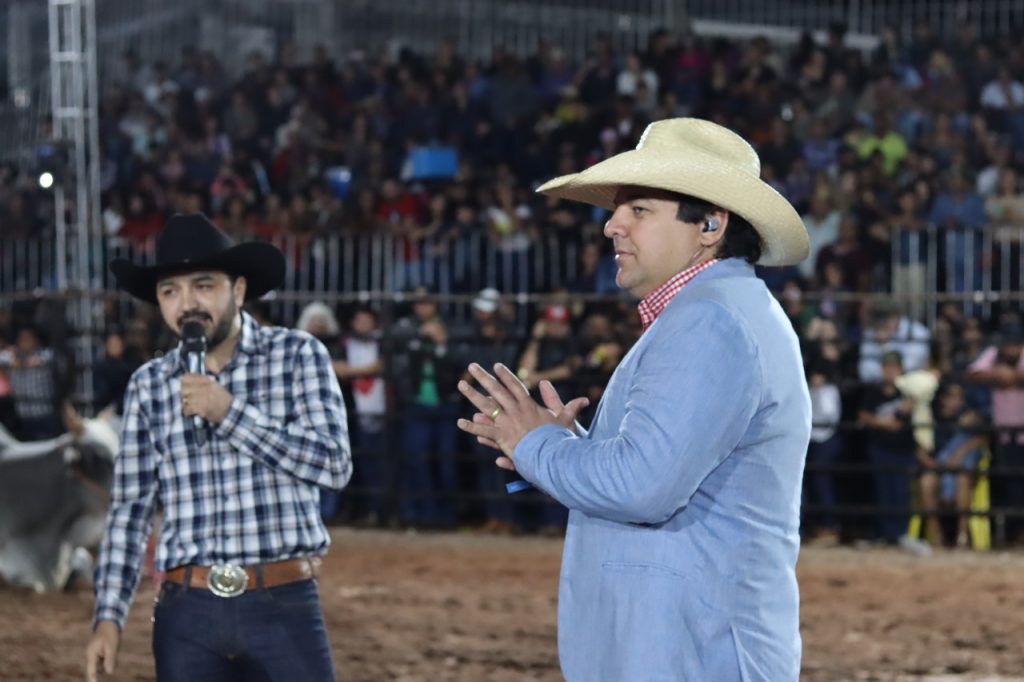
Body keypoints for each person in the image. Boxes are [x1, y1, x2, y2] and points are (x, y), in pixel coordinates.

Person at [456, 117, 812, 681]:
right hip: (688, 646)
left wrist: (540, 446)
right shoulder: (718, 313)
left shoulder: (709, 322)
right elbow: (656, 476)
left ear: (711, 225)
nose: (612, 226)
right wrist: (557, 449)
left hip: (687, 652)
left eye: (639, 209)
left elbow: (640, 488)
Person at [85, 213, 351, 682]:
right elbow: (130, 510)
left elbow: (333, 464)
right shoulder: (149, 384)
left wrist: (229, 412)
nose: (186, 303)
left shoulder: (297, 355)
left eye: (203, 285)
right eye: (170, 291)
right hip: (186, 613)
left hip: (283, 602)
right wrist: (108, 617)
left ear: (239, 290)